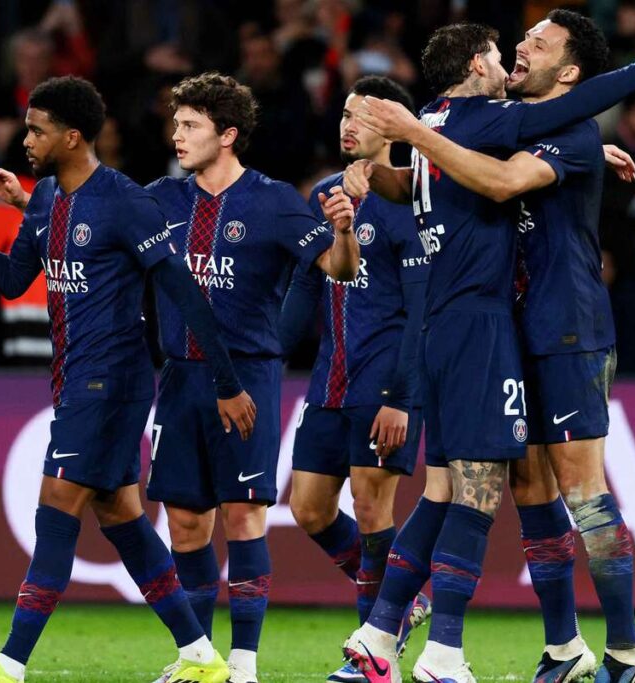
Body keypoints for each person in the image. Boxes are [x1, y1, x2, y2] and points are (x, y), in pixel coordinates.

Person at [336, 20, 635, 683]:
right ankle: (564, 645)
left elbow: (505, 182)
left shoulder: (568, 129)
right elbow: (458, 168)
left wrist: (418, 135)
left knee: (583, 492)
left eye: (538, 44)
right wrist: (385, 170)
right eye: (523, 39)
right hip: (508, 329)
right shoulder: (506, 123)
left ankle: (627, 649)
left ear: (568, 73)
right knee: (530, 489)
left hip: (566, 329)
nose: (521, 47)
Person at [0, 75, 254, 683]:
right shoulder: (46, 197)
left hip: (112, 382)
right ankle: (202, 656)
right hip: (74, 380)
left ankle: (8, 667)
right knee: (122, 518)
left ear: (72, 137)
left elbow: (185, 293)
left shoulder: (124, 201)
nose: (26, 140)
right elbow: (12, 279)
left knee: (56, 508)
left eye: (37, 130)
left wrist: (227, 382)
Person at [143, 72, 360, 683]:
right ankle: (198, 659)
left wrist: (344, 231)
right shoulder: (160, 198)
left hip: (248, 380)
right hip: (180, 378)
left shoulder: (273, 200)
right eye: (177, 124)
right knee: (186, 523)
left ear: (228, 135)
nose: (178, 135)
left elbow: (339, 269)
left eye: (191, 125)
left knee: (243, 515)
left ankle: (243, 664)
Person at [278, 76, 431, 683]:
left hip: (383, 381)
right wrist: (269, 353)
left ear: (391, 126)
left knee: (372, 511)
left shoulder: (409, 200)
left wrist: (401, 397)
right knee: (309, 508)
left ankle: (373, 655)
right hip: (329, 383)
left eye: (363, 116)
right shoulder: (324, 194)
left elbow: (420, 310)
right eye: (345, 114)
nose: (349, 125)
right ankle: (400, 603)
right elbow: (306, 282)